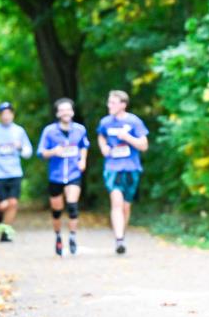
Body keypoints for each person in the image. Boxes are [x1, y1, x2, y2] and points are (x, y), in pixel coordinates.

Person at [96, 90, 149, 254]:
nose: (109, 105)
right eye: (109, 102)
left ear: (123, 105)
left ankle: (121, 236)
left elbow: (144, 145)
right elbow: (101, 136)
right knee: (116, 203)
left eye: (112, 102)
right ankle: (119, 239)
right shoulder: (105, 122)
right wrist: (104, 147)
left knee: (126, 207)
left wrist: (127, 137)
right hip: (112, 168)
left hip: (131, 168)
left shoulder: (134, 122)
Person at [37, 98, 90, 256]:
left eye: (68, 109)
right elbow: (41, 152)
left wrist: (83, 160)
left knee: (72, 206)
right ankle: (58, 236)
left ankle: (73, 237)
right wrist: (54, 151)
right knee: (57, 210)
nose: (66, 112)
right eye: (62, 110)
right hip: (56, 176)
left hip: (73, 173)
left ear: (73, 112)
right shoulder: (49, 131)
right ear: (58, 113)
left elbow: (84, 146)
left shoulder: (80, 130)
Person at [0, 102, 34, 242]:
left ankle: (6, 232)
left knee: (13, 203)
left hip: (15, 172)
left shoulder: (19, 131)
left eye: (9, 113)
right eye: (3, 113)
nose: (6, 116)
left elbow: (28, 152)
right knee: (3, 205)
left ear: (13, 115)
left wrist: (20, 147)